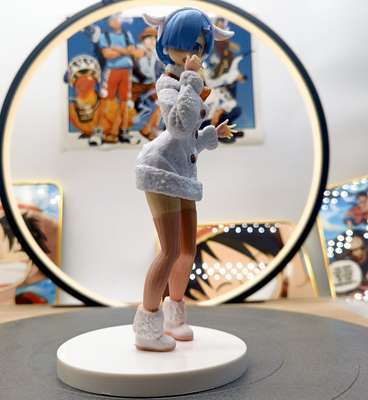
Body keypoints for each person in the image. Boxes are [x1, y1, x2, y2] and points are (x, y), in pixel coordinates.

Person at [132, 8, 236, 352]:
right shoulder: (168, 83)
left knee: (188, 250)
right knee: (170, 251)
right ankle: (147, 327)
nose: (194, 52)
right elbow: (177, 126)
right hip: (160, 169)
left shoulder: (189, 82)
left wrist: (212, 134)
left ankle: (174, 318)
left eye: (200, 46)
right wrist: (191, 80)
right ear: (168, 43)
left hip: (182, 172)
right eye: (188, 43)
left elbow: (188, 139)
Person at [98, 14, 143, 143]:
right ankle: (100, 131)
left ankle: (123, 131)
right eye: (113, 19)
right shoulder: (105, 36)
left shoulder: (126, 35)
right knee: (107, 100)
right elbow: (107, 54)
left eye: (118, 18)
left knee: (125, 101)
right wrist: (125, 51)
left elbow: (134, 52)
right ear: (109, 22)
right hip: (112, 71)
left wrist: (116, 49)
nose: (117, 21)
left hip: (126, 72)